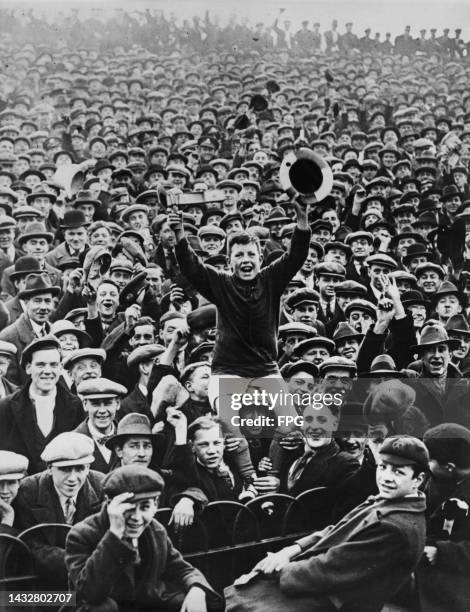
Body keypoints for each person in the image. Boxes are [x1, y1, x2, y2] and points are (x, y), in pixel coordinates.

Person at [226, 436, 428, 612]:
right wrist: (291, 549)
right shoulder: (389, 502)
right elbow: (337, 530)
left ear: (418, 479)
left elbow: (333, 566)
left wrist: (278, 569)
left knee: (242, 600)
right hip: (321, 586)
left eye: (398, 472)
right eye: (383, 467)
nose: (386, 478)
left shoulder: (396, 527)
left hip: (336, 601)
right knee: (240, 593)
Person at [65, 465, 223, 611]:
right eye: (129, 508)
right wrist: (115, 534)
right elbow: (91, 593)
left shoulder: (155, 531)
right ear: (111, 506)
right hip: (97, 606)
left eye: (145, 507)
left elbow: (181, 568)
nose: (137, 517)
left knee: (194, 601)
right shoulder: (83, 534)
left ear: (155, 505)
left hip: (142, 602)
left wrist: (196, 588)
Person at [14, 432, 104, 589]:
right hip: (42, 586)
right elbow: (27, 544)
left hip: (89, 583)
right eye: (65, 469)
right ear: (49, 468)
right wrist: (74, 561)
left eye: (80, 469)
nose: (72, 478)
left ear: (88, 467)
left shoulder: (102, 486)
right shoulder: (27, 491)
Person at [0, 336, 83, 474]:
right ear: (28, 368)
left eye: (54, 365)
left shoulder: (74, 405)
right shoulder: (6, 407)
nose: (48, 371)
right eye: (41, 365)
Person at [416, 423, 470, 612]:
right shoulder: (435, 478)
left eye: (429, 460)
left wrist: (442, 552)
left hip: (457, 576)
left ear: (449, 467)